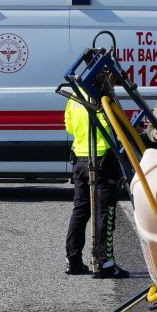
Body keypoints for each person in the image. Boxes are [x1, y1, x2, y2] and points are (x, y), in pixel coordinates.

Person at [64, 89, 130, 279]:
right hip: (102, 159)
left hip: (80, 159)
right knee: (105, 213)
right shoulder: (102, 98)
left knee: (80, 210)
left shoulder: (74, 98)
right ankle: (105, 264)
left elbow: (69, 127)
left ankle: (73, 261)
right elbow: (113, 127)